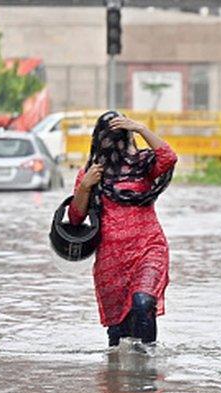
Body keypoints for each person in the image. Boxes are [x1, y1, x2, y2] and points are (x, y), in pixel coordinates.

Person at [68, 111, 177, 348]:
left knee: (143, 302)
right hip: (111, 262)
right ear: (98, 139)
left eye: (119, 135)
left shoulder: (142, 165)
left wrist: (141, 128)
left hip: (149, 249)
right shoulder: (91, 173)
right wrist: (86, 186)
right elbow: (75, 219)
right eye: (107, 137)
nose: (112, 143)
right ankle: (118, 380)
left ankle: (148, 369)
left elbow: (168, 157)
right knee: (118, 333)